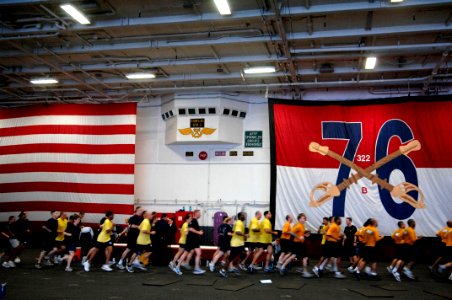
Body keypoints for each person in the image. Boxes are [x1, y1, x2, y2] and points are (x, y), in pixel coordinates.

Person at [279, 213, 314, 278]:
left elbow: (301, 233)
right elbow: (292, 232)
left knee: (295, 256)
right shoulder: (298, 225)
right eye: (303, 218)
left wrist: (305, 235)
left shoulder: (302, 225)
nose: (304, 219)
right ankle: (304, 272)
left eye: (304, 218)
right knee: (304, 257)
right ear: (299, 219)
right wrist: (299, 237)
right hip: (298, 244)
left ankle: (283, 267)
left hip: (300, 244)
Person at [174, 209, 205, 275]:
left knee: (198, 253)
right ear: (196, 213)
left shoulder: (195, 221)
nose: (200, 214)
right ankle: (177, 266)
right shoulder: (193, 220)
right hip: (191, 240)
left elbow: (191, 229)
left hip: (194, 240)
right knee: (186, 253)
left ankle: (196, 268)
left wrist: (198, 232)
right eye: (199, 213)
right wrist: (198, 232)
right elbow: (190, 228)